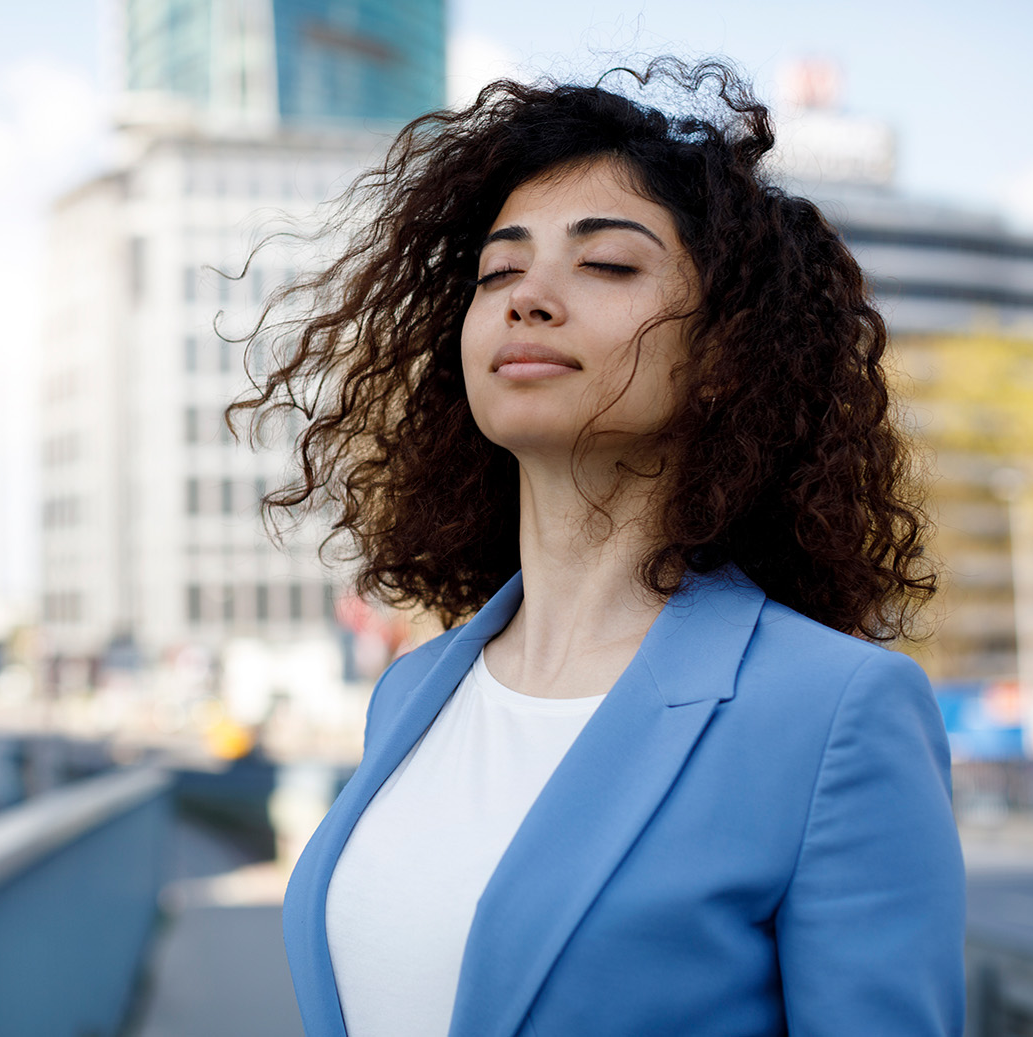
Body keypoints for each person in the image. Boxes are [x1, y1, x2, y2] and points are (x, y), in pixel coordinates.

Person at [231, 56, 966, 1037]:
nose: (528, 296)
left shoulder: (838, 714)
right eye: (500, 269)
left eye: (607, 263)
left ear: (724, 352)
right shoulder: (414, 693)